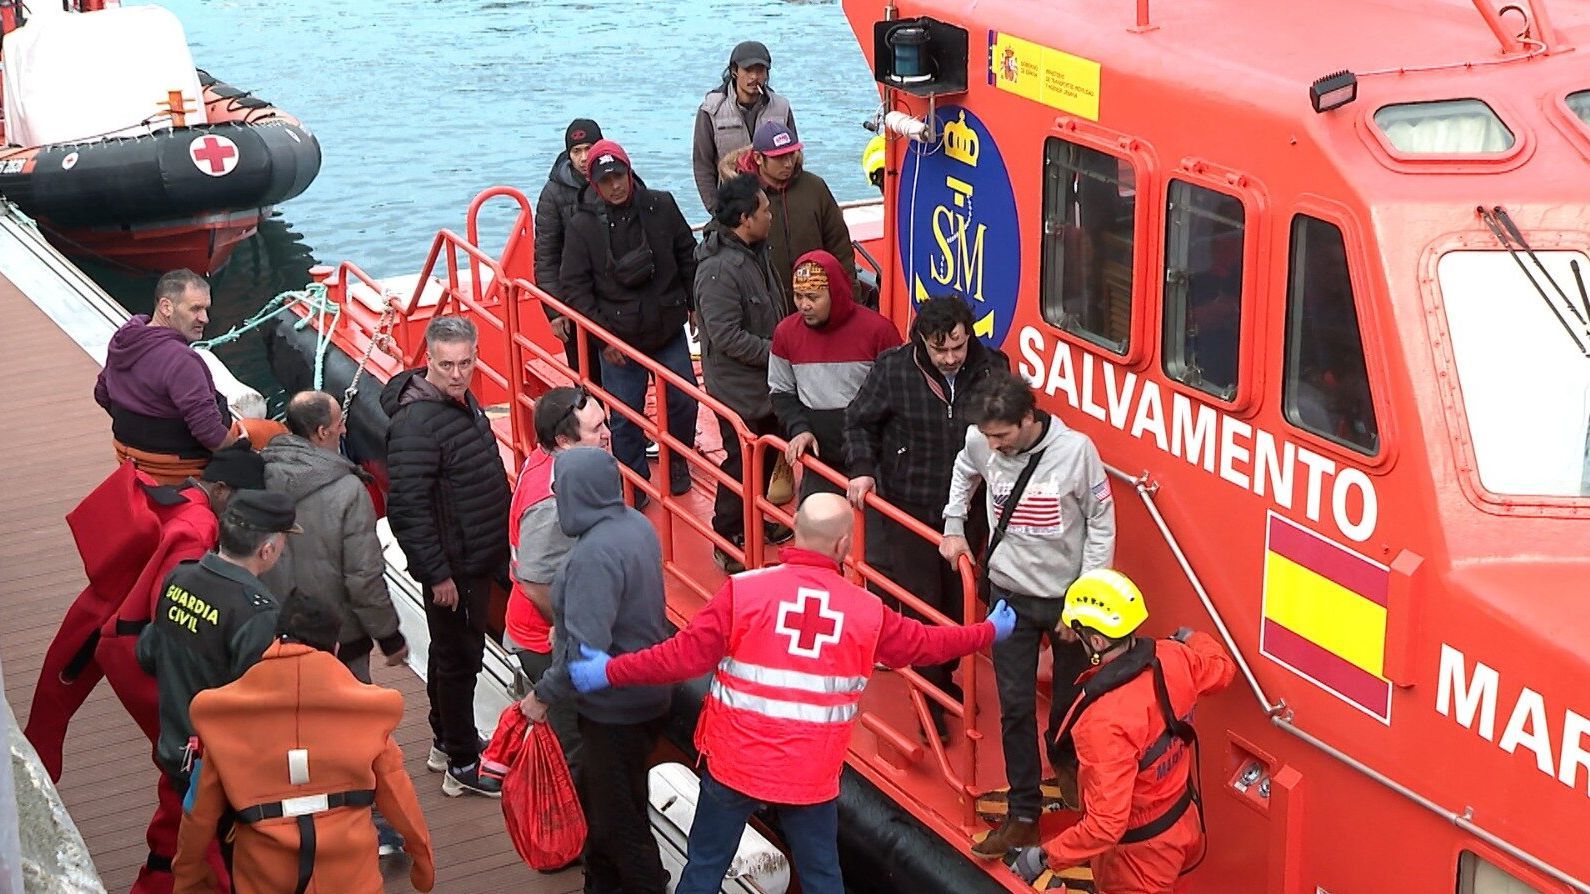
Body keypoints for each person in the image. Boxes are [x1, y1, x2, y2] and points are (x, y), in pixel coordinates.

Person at [565, 493, 1017, 894]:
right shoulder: (867, 612)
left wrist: (609, 671)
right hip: (809, 775)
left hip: (735, 765)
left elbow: (678, 658)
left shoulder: (743, 592)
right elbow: (930, 644)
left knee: (703, 869)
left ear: (794, 531)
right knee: (823, 878)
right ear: (843, 546)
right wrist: (987, 631)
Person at [26, 449, 261, 894]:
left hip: (102, 624)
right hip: (134, 650)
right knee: (193, 765)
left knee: (176, 766)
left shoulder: (172, 498)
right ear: (224, 491)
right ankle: (176, 872)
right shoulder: (198, 528)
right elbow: (174, 613)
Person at [939, 370, 1117, 858]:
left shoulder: (1076, 452)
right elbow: (963, 468)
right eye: (988, 436)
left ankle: (1064, 761)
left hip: (1066, 603)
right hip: (1009, 598)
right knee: (1014, 706)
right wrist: (954, 523)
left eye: (1002, 436)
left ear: (1028, 419)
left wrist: (1082, 604)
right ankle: (1023, 814)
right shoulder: (982, 440)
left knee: (1070, 701)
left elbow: (1101, 524)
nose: (992, 446)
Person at [172, 592, 435, 894]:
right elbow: (399, 798)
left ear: (275, 638)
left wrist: (189, 877)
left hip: (265, 877)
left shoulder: (223, 717)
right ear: (335, 646)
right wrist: (422, 860)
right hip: (350, 877)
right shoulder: (370, 713)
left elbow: (199, 813)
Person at [1006, 570, 1234, 892]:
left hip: (1139, 858)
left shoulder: (1103, 723)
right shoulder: (1175, 656)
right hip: (1183, 823)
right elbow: (1222, 671)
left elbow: (1105, 827)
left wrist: (1043, 857)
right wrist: (1193, 638)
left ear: (1096, 641)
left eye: (1078, 631)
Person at [843, 295, 1006, 739]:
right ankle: (929, 701)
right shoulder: (894, 369)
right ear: (921, 342)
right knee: (921, 605)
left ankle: (943, 678)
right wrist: (862, 471)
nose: (951, 358)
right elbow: (859, 421)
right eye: (940, 350)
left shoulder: (993, 368)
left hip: (970, 512)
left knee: (957, 604)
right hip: (909, 505)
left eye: (958, 346)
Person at [517, 448, 671, 894]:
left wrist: (542, 695)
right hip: (647, 693)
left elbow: (587, 653)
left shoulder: (591, 557)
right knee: (611, 808)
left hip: (613, 709)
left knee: (619, 822)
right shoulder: (636, 526)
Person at [380, 315, 512, 798]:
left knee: (450, 653)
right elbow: (408, 508)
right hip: (455, 566)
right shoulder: (417, 424)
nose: (458, 374)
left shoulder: (457, 401)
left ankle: (445, 739)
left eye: (466, 363)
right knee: (460, 659)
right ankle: (462, 761)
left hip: (475, 552)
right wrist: (437, 574)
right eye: (447, 365)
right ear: (427, 362)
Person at [560, 139, 700, 499]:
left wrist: (695, 306)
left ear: (629, 171)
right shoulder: (581, 226)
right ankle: (633, 482)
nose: (615, 185)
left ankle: (677, 459)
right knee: (624, 417)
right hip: (618, 338)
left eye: (619, 176)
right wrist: (602, 339)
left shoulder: (661, 205)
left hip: (668, 327)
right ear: (594, 183)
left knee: (685, 400)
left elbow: (688, 254)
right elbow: (575, 289)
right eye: (606, 180)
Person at [501, 386, 611, 776]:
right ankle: (575, 827)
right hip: (545, 637)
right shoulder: (551, 500)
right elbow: (534, 581)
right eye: (596, 429)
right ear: (564, 441)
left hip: (556, 628)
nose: (606, 434)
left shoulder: (553, 466)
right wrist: (564, 626)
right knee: (574, 746)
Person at [261, 391, 407, 683]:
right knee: (352, 719)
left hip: (272, 633)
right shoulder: (349, 491)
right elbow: (363, 575)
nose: (344, 428)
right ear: (322, 432)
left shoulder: (259, 473)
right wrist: (388, 635)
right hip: (339, 638)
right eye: (339, 422)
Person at [94, 269, 276, 483]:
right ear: (166, 307)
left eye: (206, 309)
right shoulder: (182, 361)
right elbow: (211, 436)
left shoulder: (125, 340)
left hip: (130, 457)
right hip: (180, 468)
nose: (205, 318)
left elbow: (102, 393)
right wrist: (239, 447)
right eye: (195, 309)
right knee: (267, 441)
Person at [695, 173, 793, 573]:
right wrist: (778, 352)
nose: (770, 215)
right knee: (741, 460)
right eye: (764, 210)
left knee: (766, 454)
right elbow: (726, 336)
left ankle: (755, 520)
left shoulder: (755, 252)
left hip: (765, 383)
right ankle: (728, 535)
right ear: (744, 219)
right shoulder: (719, 270)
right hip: (739, 388)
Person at [769, 249, 900, 500]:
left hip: (876, 459)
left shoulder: (879, 331)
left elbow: (899, 395)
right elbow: (781, 391)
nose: (804, 305)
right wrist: (799, 429)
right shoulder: (785, 333)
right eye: (798, 296)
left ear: (835, 293)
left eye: (813, 297)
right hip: (820, 458)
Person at [727, 121, 855, 307]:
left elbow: (840, 246)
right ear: (758, 158)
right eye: (779, 157)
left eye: (791, 154)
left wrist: (850, 296)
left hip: (816, 303)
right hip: (765, 307)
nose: (788, 163)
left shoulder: (815, 187)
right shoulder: (740, 196)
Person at [536, 117, 606, 386]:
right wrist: (555, 312)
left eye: (589, 148)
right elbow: (545, 258)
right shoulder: (553, 194)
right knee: (586, 379)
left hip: (617, 294)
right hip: (574, 299)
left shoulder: (618, 179)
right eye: (577, 151)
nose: (584, 157)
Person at [692, 40, 796, 215]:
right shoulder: (711, 110)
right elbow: (702, 165)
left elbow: (793, 157)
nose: (754, 77)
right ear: (734, 71)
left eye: (760, 70)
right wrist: (716, 209)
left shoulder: (781, 107)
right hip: (732, 206)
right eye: (748, 70)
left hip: (776, 203)